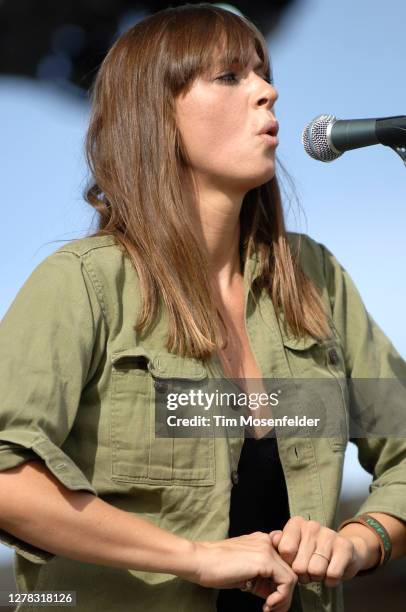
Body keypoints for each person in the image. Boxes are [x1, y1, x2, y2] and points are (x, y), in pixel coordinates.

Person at [0, 4, 405, 612]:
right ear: (155, 116)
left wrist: (358, 540)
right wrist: (192, 555)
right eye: (229, 77)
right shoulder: (82, 284)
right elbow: (7, 481)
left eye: (264, 74)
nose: (268, 91)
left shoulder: (314, 277)